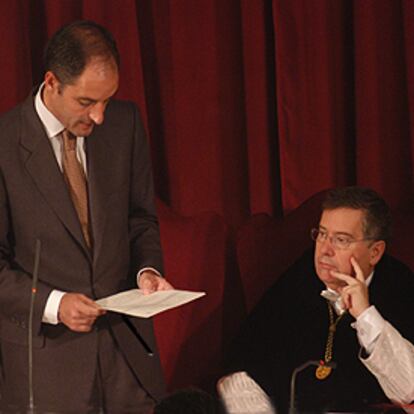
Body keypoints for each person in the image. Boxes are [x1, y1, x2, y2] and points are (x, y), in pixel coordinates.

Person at [0, 20, 173, 413]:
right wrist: (54, 303)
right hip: (46, 368)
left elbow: (140, 218)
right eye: (86, 102)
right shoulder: (5, 145)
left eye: (107, 100)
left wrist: (147, 270)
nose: (99, 117)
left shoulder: (125, 125)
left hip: (128, 358)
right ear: (52, 82)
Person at [223, 186, 414, 413]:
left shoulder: (401, 286)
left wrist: (365, 315)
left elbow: (410, 389)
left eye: (341, 240)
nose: (325, 250)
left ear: (375, 252)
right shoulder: (296, 282)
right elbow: (241, 371)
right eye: (322, 234)